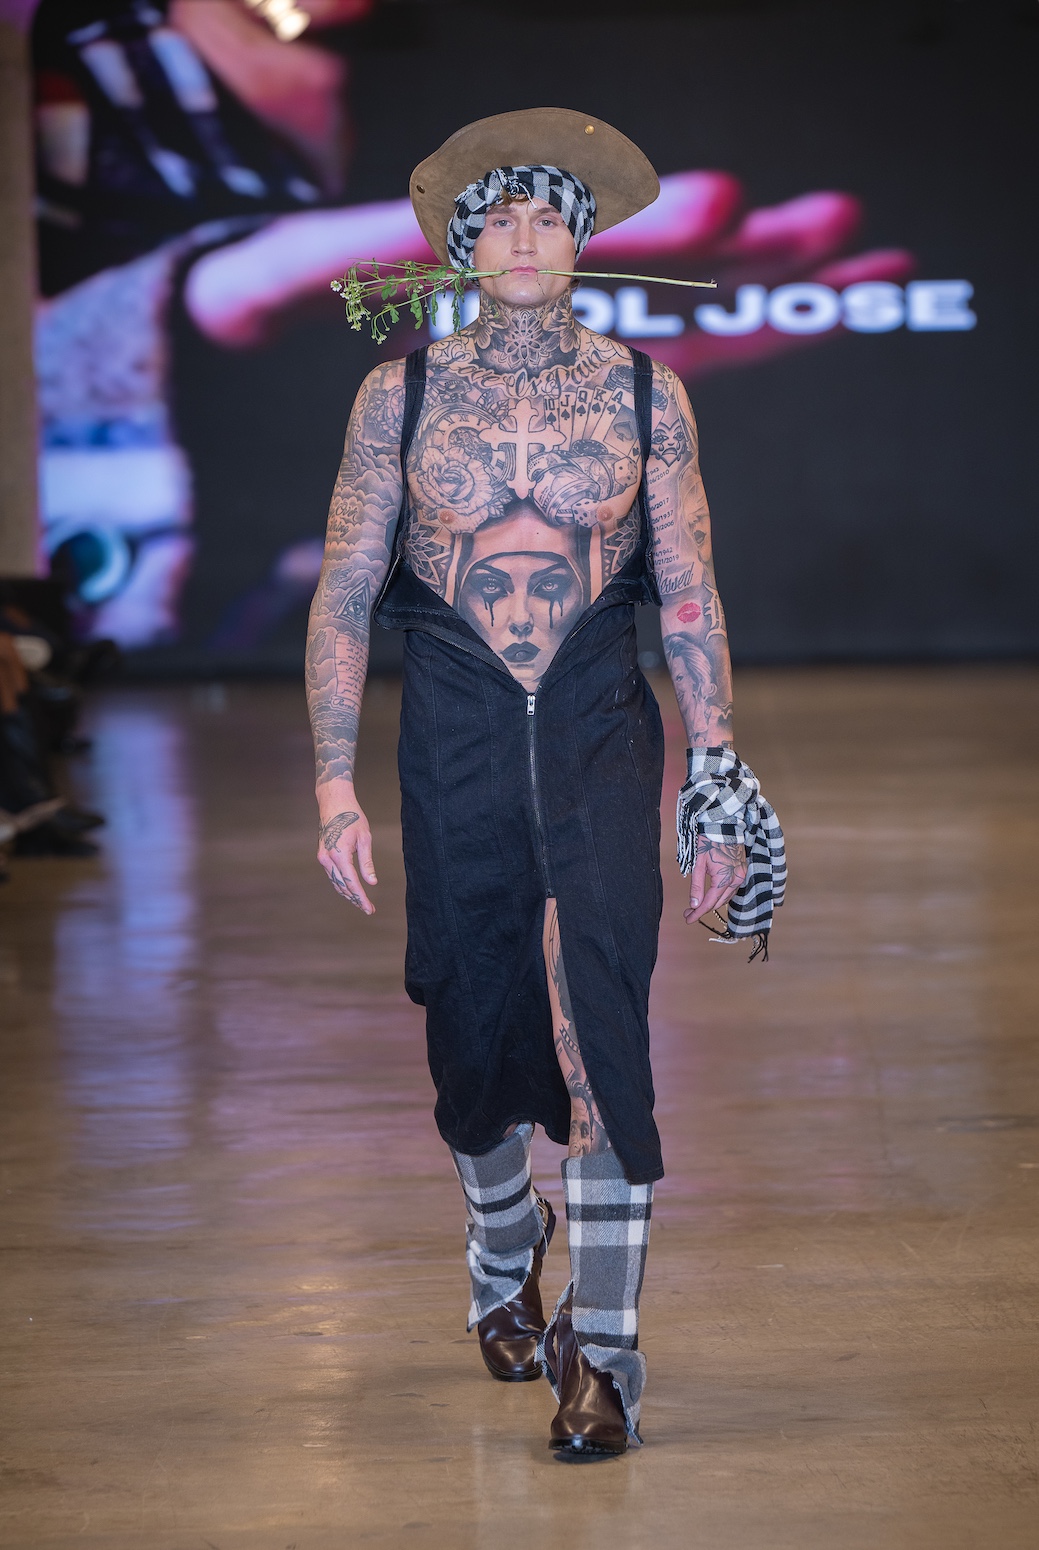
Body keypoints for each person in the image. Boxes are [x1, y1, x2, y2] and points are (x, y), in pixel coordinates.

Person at [306, 107, 780, 1459]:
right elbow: (345, 590)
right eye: (500, 218)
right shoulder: (399, 396)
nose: (524, 238)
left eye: (548, 216)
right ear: (465, 247)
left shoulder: (645, 394)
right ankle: (502, 1236)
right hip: (452, 736)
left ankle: (606, 1352)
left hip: (598, 734)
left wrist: (716, 775)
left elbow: (688, 592)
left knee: (601, 1027)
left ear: (582, 241)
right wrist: (333, 782)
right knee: (471, 1027)